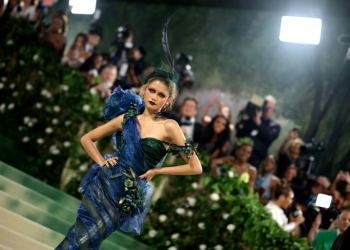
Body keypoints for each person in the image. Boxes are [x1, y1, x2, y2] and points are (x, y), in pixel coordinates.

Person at [55, 9, 202, 249]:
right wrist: (102, 161)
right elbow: (87, 139)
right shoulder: (126, 119)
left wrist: (157, 172)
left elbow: (195, 166)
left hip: (127, 194)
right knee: (78, 237)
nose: (154, 97)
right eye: (151, 91)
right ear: (144, 90)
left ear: (168, 101)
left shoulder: (170, 127)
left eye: (161, 94)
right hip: (104, 183)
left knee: (90, 239)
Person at [235, 95, 281, 168]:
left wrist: (259, 123)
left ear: (273, 110)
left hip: (254, 158)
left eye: (269, 107)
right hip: (239, 153)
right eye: (265, 106)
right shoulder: (252, 119)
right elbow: (239, 134)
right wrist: (245, 118)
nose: (266, 109)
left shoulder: (275, 126)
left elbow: (269, 138)